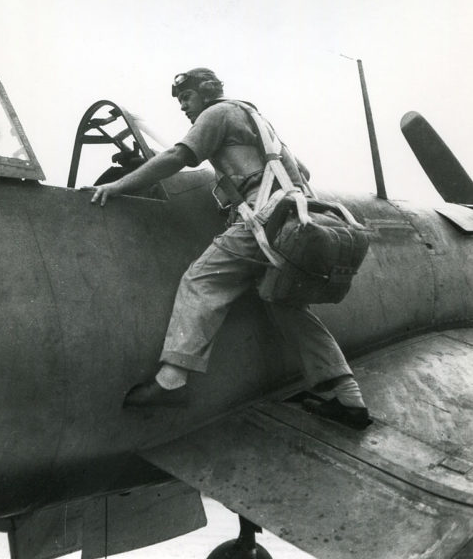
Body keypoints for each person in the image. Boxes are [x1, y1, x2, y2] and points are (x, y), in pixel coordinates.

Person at [87, 68, 371, 429]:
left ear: (206, 92)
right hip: (294, 219)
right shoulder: (258, 120)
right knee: (284, 303)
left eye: (186, 98)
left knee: (201, 281)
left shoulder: (216, 113)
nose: (184, 108)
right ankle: (350, 399)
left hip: (264, 218)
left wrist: (120, 185)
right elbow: (304, 171)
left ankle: (172, 381)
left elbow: (177, 157)